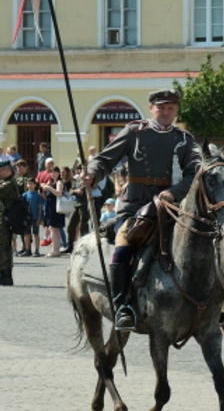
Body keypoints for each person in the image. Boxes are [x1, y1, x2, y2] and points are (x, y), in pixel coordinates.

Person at [84, 89, 202, 330]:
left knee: (203, 241)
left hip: (173, 205)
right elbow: (105, 159)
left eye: (171, 108)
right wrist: (92, 174)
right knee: (125, 243)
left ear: (176, 110)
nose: (166, 112)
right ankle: (122, 306)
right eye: (161, 108)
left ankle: (207, 304)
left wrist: (175, 192)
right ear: (152, 109)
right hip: (136, 204)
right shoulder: (135, 132)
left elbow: (194, 174)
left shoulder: (184, 138)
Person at [0, 160, 26, 286]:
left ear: (7, 170)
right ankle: (5, 276)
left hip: (3, 220)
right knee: (4, 247)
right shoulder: (7, 182)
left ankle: (4, 274)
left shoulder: (8, 184)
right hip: (3, 219)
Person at [22, 177, 44, 256]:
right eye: (28, 184)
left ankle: (37, 250)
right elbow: (22, 207)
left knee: (36, 234)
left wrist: (40, 218)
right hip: (27, 217)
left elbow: (40, 208)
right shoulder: (24, 195)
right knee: (26, 234)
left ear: (35, 185)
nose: (30, 185)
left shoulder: (38, 196)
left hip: (35, 217)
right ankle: (27, 250)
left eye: (32, 184)